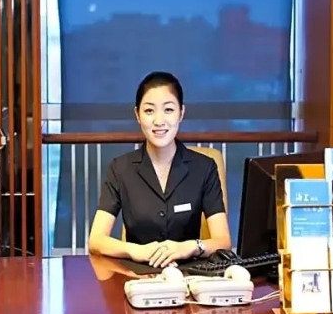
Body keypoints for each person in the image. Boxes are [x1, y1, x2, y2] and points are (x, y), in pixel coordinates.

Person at [88, 71, 231, 268]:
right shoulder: (120, 169)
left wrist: (190, 247)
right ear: (137, 115)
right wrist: (135, 250)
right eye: (149, 111)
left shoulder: (204, 167)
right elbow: (96, 240)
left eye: (168, 110)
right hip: (137, 277)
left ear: (181, 113)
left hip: (189, 276)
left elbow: (223, 241)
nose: (159, 120)